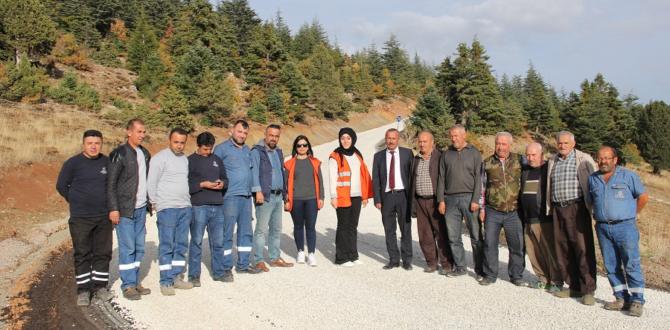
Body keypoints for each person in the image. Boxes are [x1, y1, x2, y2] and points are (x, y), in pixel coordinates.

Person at [589, 146, 649, 317]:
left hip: (625, 227)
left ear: (615, 160)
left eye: (607, 158)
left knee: (631, 263)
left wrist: (631, 214)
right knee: (611, 265)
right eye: (600, 158)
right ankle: (621, 297)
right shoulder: (593, 179)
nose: (603, 161)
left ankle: (637, 300)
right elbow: (591, 201)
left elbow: (643, 197)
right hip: (602, 227)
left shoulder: (628, 176)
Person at [56, 130, 113, 306]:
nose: (94, 146)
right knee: (82, 254)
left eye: (97, 143)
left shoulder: (107, 162)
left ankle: (100, 287)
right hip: (81, 218)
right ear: (83, 144)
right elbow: (61, 186)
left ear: (101, 144)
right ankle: (83, 290)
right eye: (90, 143)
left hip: (103, 217)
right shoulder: (73, 163)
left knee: (103, 253)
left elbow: (112, 186)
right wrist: (75, 200)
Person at [547, 131, 598, 305]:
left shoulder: (584, 159)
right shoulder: (553, 160)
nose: (562, 146)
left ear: (573, 144)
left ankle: (588, 289)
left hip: (577, 208)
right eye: (560, 143)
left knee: (583, 249)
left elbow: (594, 183)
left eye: (566, 143)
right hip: (558, 208)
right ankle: (574, 286)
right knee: (563, 249)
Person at [107, 118, 152, 300]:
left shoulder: (145, 153)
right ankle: (128, 286)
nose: (142, 135)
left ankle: (134, 281)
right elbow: (110, 183)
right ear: (129, 132)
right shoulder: (119, 153)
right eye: (138, 131)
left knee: (139, 247)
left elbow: (147, 180)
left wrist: (149, 201)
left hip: (141, 209)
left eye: (143, 132)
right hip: (125, 210)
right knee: (128, 247)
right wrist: (113, 208)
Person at [147, 128, 194, 295]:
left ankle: (176, 277)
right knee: (167, 244)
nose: (179, 146)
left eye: (182, 142)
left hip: (184, 207)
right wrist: (155, 203)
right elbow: (151, 182)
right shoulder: (159, 159)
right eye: (176, 142)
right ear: (169, 140)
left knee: (181, 244)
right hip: (167, 208)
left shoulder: (185, 160)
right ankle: (166, 281)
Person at [213, 120, 261, 278]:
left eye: (245, 133)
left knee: (246, 232)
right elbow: (213, 170)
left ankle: (243, 264)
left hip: (246, 198)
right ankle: (225, 266)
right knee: (227, 232)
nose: (242, 135)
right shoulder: (221, 149)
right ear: (232, 130)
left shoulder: (247, 150)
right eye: (240, 131)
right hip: (230, 197)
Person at [436, 125, 484, 279]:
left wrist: (476, 199)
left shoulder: (474, 153)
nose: (453, 138)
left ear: (464, 136)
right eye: (451, 136)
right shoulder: (446, 154)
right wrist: (441, 200)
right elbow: (441, 178)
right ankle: (461, 267)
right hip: (450, 200)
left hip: (470, 198)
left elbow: (479, 178)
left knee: (476, 236)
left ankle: (480, 270)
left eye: (456, 136)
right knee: (453, 237)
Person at [479, 132, 526, 286]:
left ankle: (516, 275)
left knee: (517, 245)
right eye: (498, 143)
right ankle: (490, 274)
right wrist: (482, 208)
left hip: (514, 211)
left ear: (510, 145)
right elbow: (482, 187)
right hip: (493, 210)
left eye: (504, 144)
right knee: (490, 244)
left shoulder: (520, 160)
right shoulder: (487, 163)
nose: (500, 147)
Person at [187, 132, 228, 287]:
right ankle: (194, 275)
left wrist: (222, 184)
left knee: (218, 242)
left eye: (210, 149)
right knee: (197, 241)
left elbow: (226, 179)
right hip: (199, 206)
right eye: (205, 149)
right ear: (198, 146)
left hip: (217, 206)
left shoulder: (217, 160)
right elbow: (186, 186)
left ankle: (218, 272)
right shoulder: (190, 161)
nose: (208, 152)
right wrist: (202, 185)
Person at [520, 142, 562, 292]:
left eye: (533, 155)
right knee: (533, 252)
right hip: (528, 218)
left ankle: (556, 281)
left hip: (544, 218)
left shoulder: (548, 170)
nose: (530, 158)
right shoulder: (525, 170)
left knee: (549, 251)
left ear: (541, 155)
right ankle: (542, 278)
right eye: (528, 155)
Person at [329, 127, 374, 267]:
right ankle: (341, 257)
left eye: (348, 138)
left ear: (353, 139)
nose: (345, 141)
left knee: (353, 226)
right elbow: (332, 177)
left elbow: (364, 175)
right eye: (343, 138)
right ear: (339, 140)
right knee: (343, 226)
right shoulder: (335, 156)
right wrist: (333, 196)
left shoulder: (357, 154)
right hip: (342, 196)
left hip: (357, 195)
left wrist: (365, 195)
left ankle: (353, 255)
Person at [251, 124, 294, 270]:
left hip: (278, 196)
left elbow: (282, 173)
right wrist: (257, 191)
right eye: (271, 135)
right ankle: (258, 260)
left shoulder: (278, 152)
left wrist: (285, 194)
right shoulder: (257, 151)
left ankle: (275, 257)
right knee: (261, 229)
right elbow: (254, 172)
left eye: (276, 136)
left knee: (276, 229)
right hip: (265, 196)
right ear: (265, 134)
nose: (273, 138)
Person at [409, 131, 453, 274]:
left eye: (425, 141)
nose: (422, 144)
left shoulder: (440, 157)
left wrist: (443, 200)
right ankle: (431, 263)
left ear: (432, 142)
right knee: (424, 234)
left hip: (436, 201)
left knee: (441, 233)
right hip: (420, 201)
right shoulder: (416, 159)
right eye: (420, 141)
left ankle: (446, 264)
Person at [372, 128, 414, 270]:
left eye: (393, 138)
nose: (390, 141)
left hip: (403, 196)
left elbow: (412, 177)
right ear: (385, 139)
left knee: (405, 229)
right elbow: (376, 179)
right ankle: (394, 260)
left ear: (398, 139)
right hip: (387, 197)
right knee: (389, 230)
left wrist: (412, 199)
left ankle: (407, 260)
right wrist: (377, 199)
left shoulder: (407, 154)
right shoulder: (378, 156)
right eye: (388, 138)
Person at [284, 135, 325, 266]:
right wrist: (286, 199)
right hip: (295, 200)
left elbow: (320, 181)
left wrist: (321, 198)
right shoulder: (289, 164)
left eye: (304, 145)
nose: (302, 147)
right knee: (298, 226)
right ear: (295, 147)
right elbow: (285, 184)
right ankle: (300, 251)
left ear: (308, 147)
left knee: (311, 227)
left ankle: (311, 254)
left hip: (312, 199)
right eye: (299, 145)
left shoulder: (315, 162)